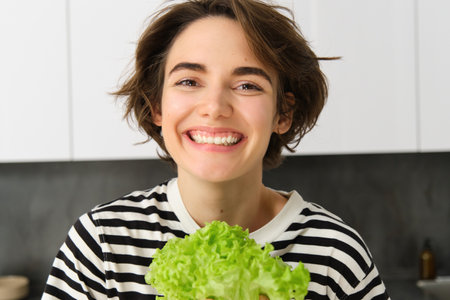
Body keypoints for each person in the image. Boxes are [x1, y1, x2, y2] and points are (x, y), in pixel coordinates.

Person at [43, 0, 390, 299]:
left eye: (247, 84)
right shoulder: (103, 243)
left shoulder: (336, 253)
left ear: (282, 113)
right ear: (157, 107)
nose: (215, 107)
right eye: (189, 81)